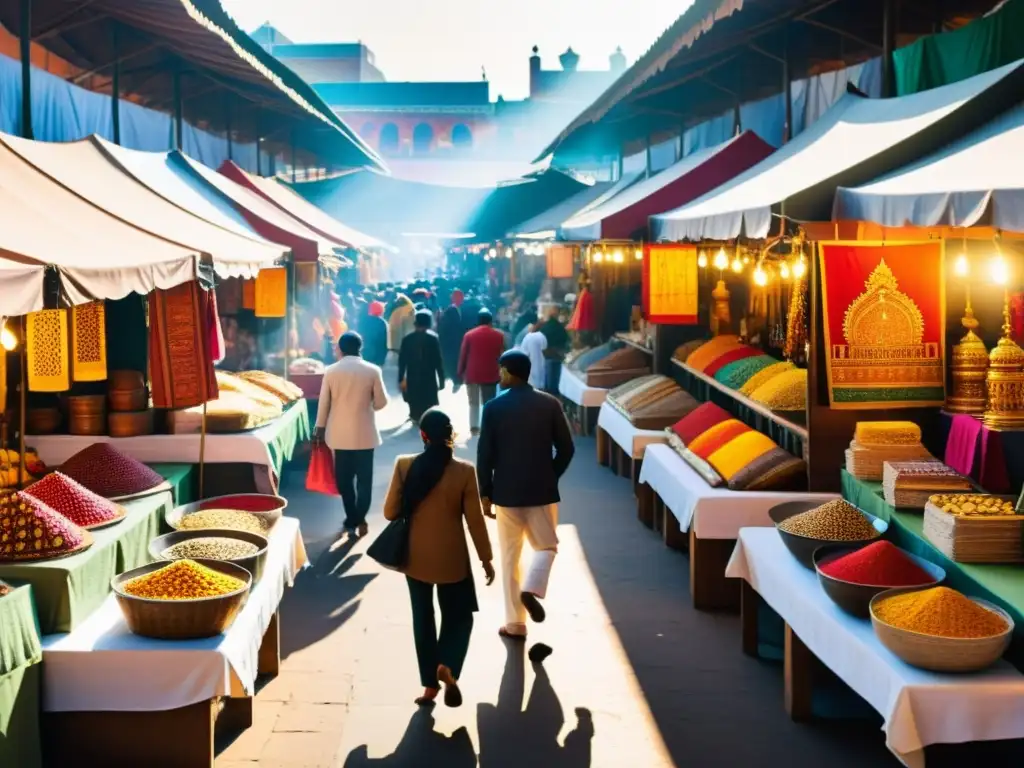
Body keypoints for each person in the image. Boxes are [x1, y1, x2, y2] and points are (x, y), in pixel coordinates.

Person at [382, 408, 495, 708]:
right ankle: (447, 664)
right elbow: (475, 521)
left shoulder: (405, 465)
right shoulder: (464, 471)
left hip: (414, 558)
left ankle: (430, 686)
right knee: (459, 616)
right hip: (452, 559)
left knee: (422, 618)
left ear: (423, 435)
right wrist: (486, 559)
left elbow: (390, 512)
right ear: (451, 436)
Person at [477, 350, 575, 645]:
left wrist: (485, 492)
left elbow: (485, 455)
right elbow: (567, 449)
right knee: (546, 547)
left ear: (508, 371)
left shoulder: (493, 408)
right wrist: (550, 473)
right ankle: (531, 588)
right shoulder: (549, 404)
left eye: (500, 370)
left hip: (506, 493)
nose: (498, 375)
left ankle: (515, 624)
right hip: (542, 492)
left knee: (509, 557)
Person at [314, 331, 389, 539]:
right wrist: (367, 405)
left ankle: (352, 518)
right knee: (364, 481)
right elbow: (382, 402)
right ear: (359, 347)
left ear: (341, 348)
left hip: (339, 436)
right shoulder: (373, 370)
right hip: (366, 435)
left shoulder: (331, 371)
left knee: (344, 481)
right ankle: (359, 518)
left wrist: (319, 427)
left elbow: (324, 403)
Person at [458, 309, 505, 436]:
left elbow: (463, 355)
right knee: (488, 402)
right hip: (491, 373)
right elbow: (503, 355)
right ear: (491, 321)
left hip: (472, 373)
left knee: (473, 402)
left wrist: (460, 371)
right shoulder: (499, 335)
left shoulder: (469, 335)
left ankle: (474, 428)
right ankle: (487, 426)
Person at [399, 311, 446, 424]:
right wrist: (441, 378)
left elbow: (402, 362)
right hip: (428, 375)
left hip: (412, 375)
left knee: (414, 397)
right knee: (428, 398)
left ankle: (415, 416)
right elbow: (438, 361)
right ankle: (427, 417)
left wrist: (401, 378)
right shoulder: (433, 339)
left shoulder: (407, 339)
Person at [539, 305, 570, 396]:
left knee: (548, 380)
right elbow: (564, 340)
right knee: (554, 381)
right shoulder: (560, 327)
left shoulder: (545, 326)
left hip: (547, 355)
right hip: (556, 356)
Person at [438, 290, 465, 390]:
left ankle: (455, 379)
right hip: (453, 342)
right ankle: (455, 379)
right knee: (453, 361)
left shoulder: (451, 311)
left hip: (453, 342)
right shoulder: (450, 311)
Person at [518, 322, 548, 390]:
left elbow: (523, 353)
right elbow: (545, 350)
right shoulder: (542, 336)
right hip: (540, 367)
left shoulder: (527, 337)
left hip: (529, 368)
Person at [360, 301, 389, 367]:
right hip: (379, 352)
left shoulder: (364, 320)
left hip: (367, 351)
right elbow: (385, 339)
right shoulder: (382, 322)